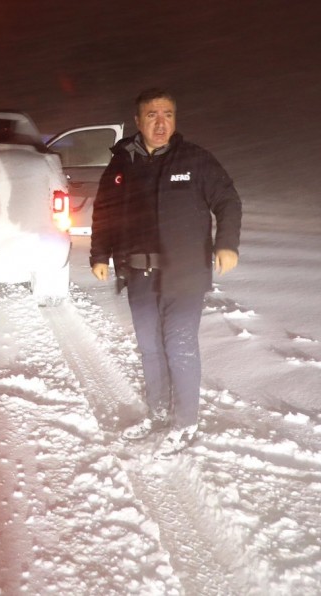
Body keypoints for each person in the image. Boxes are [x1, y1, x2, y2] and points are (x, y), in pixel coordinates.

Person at [89, 87, 242, 451]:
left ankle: (185, 423)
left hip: (184, 274)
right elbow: (104, 212)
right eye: (153, 115)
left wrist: (227, 244)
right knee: (150, 348)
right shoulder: (122, 164)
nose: (161, 123)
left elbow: (228, 201)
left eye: (168, 115)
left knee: (179, 346)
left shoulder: (195, 161)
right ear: (139, 121)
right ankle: (157, 415)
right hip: (138, 273)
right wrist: (99, 255)